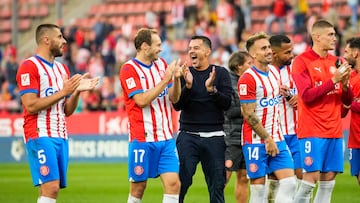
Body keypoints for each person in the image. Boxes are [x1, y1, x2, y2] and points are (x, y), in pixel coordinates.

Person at [16, 23, 99, 203]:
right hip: (39, 133)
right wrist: (63, 91)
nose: (64, 41)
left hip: (60, 134)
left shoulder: (62, 69)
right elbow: (30, 105)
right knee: (51, 187)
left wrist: (76, 91)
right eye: (60, 37)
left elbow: (67, 110)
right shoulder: (29, 66)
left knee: (50, 188)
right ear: (46, 40)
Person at [119, 28, 183, 203]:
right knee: (138, 188)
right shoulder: (128, 69)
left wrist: (176, 79)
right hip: (142, 138)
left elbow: (174, 98)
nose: (161, 49)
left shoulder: (162, 65)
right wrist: (165, 81)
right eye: (158, 45)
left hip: (166, 138)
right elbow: (141, 100)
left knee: (174, 184)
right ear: (145, 46)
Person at [292, 20, 353, 203]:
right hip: (312, 130)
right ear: (316, 37)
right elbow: (307, 96)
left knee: (328, 183)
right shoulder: (301, 62)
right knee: (310, 181)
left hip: (334, 130)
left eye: (334, 34)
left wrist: (344, 86)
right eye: (330, 34)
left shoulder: (339, 62)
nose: (334, 38)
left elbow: (347, 102)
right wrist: (333, 80)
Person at [238, 32, 297, 203]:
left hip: (277, 138)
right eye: (264, 48)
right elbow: (248, 114)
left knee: (289, 184)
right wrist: (267, 139)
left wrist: (284, 91)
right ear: (253, 54)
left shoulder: (274, 71)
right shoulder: (247, 79)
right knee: (258, 192)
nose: (269, 51)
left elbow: (272, 95)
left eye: (269, 47)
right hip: (256, 141)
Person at [173, 35, 232, 203]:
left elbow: (227, 103)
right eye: (190, 48)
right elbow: (177, 105)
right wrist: (189, 87)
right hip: (188, 136)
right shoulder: (184, 73)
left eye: (196, 48)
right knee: (181, 182)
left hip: (215, 137)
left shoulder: (220, 73)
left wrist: (212, 90)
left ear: (207, 51)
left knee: (217, 186)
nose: (191, 51)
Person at [266, 34, 302, 202]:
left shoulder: (297, 69)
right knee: (273, 179)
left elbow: (308, 93)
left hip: (297, 133)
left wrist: (299, 98)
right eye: (287, 52)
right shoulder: (263, 73)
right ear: (274, 53)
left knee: (302, 178)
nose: (291, 55)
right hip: (274, 135)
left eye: (292, 51)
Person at [224, 51, 252, 203]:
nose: (252, 66)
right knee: (224, 176)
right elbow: (228, 111)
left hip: (247, 136)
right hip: (231, 137)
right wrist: (249, 108)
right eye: (249, 63)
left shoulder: (251, 80)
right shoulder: (227, 82)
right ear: (238, 66)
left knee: (243, 177)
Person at [342, 37, 360, 186]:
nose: (344, 55)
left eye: (346, 52)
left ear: (355, 53)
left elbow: (349, 104)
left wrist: (350, 104)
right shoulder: (351, 77)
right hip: (355, 138)